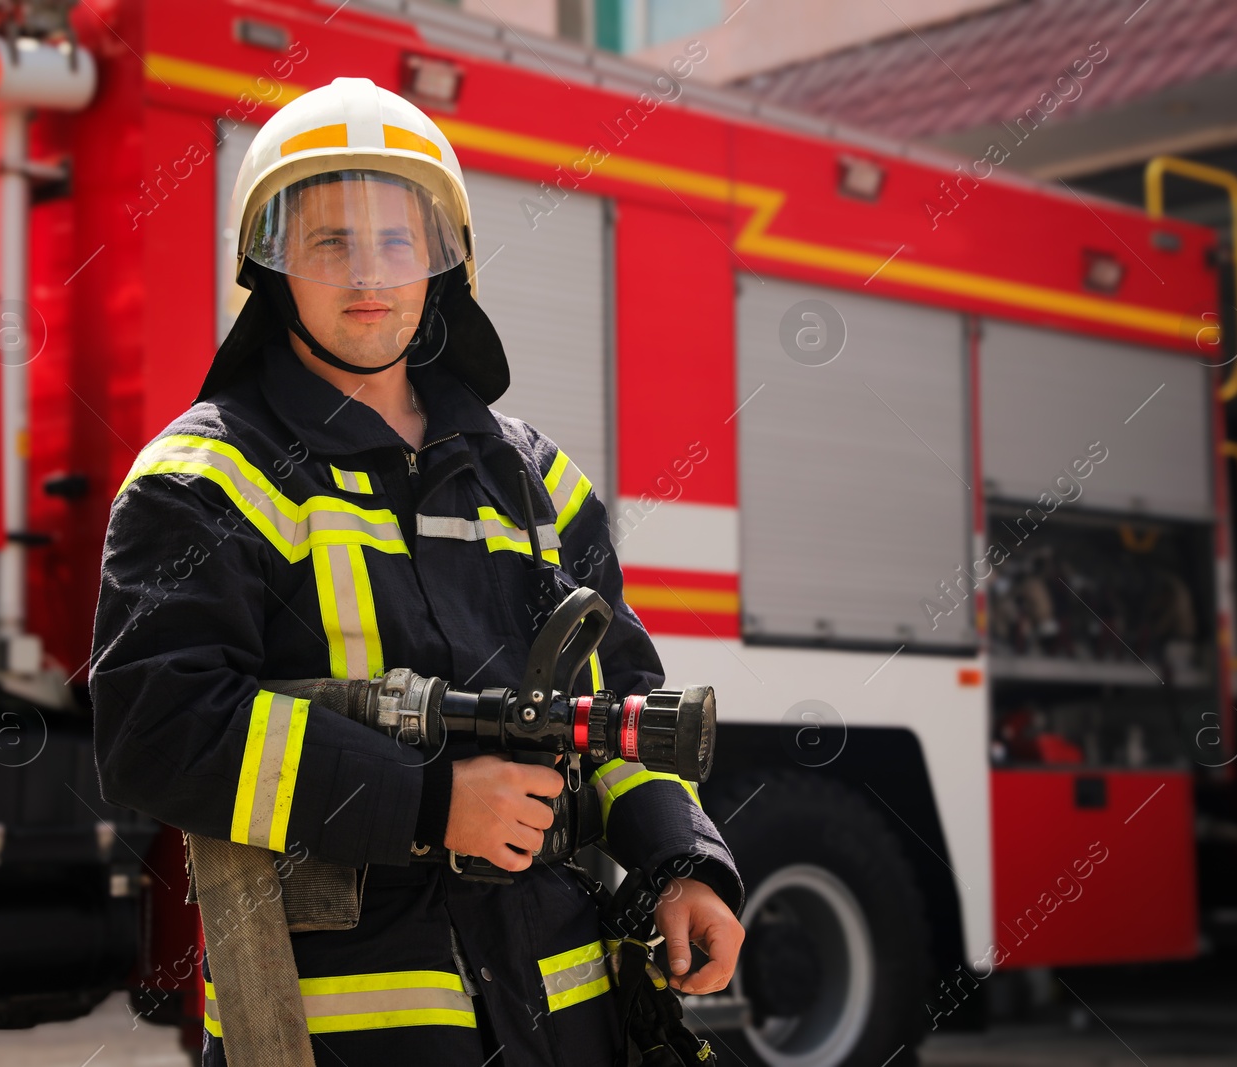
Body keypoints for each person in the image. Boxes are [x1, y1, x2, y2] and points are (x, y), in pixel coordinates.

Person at [88, 77, 745, 1067]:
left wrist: (677, 861)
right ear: (270, 268)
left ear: (442, 264)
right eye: (327, 241)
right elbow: (158, 729)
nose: (370, 275)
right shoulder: (201, 480)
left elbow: (614, 702)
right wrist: (429, 801)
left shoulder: (530, 476)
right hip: (353, 1032)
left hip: (568, 1019)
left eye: (397, 241)